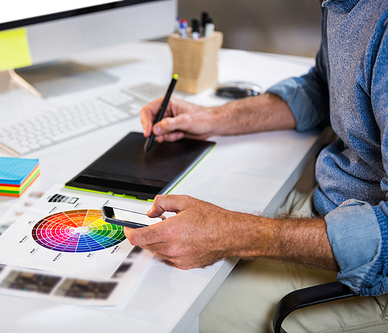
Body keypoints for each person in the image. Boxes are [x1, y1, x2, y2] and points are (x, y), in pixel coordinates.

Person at [123, 0, 388, 332]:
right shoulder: (342, 5)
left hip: (373, 275)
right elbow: (323, 87)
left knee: (165, 318)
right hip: (330, 211)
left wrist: (231, 233)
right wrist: (211, 118)